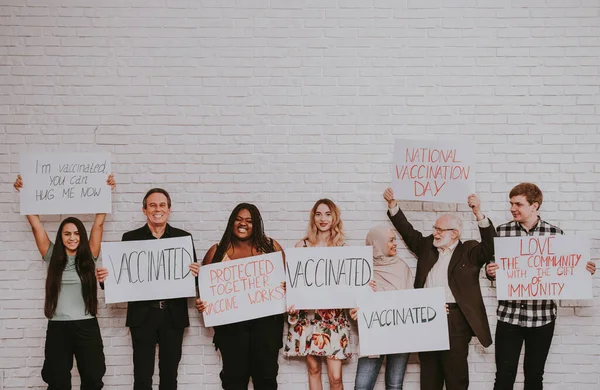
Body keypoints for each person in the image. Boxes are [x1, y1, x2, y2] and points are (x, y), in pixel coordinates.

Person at [485, 183, 596, 390]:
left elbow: (567, 270)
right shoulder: (502, 232)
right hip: (509, 316)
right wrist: (489, 271)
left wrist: (583, 270)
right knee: (503, 377)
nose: (512, 208)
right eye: (511, 203)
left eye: (518, 204)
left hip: (543, 318)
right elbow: (494, 269)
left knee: (535, 376)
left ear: (534, 206)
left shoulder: (555, 234)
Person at [383, 188, 495, 390]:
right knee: (429, 378)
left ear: (454, 234)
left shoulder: (469, 251)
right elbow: (408, 232)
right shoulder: (427, 246)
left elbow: (491, 246)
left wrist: (478, 213)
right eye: (435, 228)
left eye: (439, 230)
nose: (435, 233)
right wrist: (393, 206)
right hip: (428, 318)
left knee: (456, 378)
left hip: (456, 321)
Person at [13, 173, 115, 390]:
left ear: (82, 236)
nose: (72, 237)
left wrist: (106, 192)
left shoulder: (90, 255)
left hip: (87, 325)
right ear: (61, 236)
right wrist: (25, 192)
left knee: (93, 379)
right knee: (57, 381)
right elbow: (36, 225)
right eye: (67, 233)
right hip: (58, 327)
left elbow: (98, 224)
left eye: (77, 233)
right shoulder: (51, 255)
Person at [98, 188, 198, 390]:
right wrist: (104, 279)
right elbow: (121, 276)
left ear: (169, 209)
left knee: (170, 377)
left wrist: (196, 273)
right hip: (143, 316)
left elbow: (191, 282)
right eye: (152, 205)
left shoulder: (183, 238)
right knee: (142, 377)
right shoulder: (130, 238)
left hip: (172, 316)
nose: (157, 209)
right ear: (144, 210)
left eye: (162, 205)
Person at [193, 203, 285, 390]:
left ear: (256, 224)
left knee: (266, 380)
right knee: (234, 382)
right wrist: (202, 304)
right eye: (239, 219)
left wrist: (286, 287)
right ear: (232, 222)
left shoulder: (271, 247)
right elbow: (206, 293)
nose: (243, 224)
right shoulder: (216, 251)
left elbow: (287, 283)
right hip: (231, 332)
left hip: (266, 329)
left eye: (249, 221)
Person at [283, 199, 350, 390]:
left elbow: (350, 283)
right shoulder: (301, 247)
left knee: (335, 377)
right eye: (319, 214)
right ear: (313, 218)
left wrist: (364, 286)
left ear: (334, 217)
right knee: (313, 369)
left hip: (333, 317)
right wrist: (291, 299)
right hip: (308, 317)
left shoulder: (343, 249)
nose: (323, 219)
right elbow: (293, 282)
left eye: (328, 214)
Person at [350, 224, 414, 390]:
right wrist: (355, 309)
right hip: (373, 336)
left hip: (400, 335)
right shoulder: (362, 269)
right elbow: (352, 301)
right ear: (377, 243)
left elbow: (412, 301)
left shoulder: (402, 267)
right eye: (391, 240)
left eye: (395, 240)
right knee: (362, 387)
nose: (395, 244)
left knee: (394, 386)